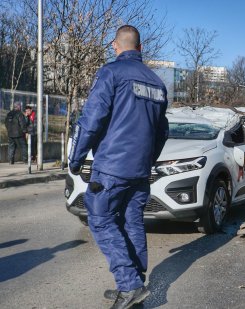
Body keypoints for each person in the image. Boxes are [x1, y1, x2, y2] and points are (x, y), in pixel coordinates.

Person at [68, 25, 169, 309]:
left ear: (116, 46)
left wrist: (76, 158)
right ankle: (134, 282)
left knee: (100, 220)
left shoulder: (111, 73)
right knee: (131, 221)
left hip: (111, 167)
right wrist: (148, 160)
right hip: (140, 170)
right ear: (140, 48)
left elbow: (91, 119)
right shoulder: (157, 83)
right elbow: (162, 131)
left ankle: (130, 285)